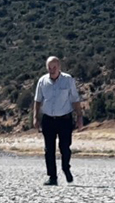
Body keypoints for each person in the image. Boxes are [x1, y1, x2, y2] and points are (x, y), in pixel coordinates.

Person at [32, 56, 83, 186]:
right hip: (48, 119)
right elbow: (38, 101)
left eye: (54, 67)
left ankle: (66, 168)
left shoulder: (68, 80)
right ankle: (52, 177)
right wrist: (35, 117)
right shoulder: (42, 81)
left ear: (59, 67)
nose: (52, 70)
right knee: (49, 149)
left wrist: (79, 117)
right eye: (49, 68)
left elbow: (75, 99)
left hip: (65, 119)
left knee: (65, 147)